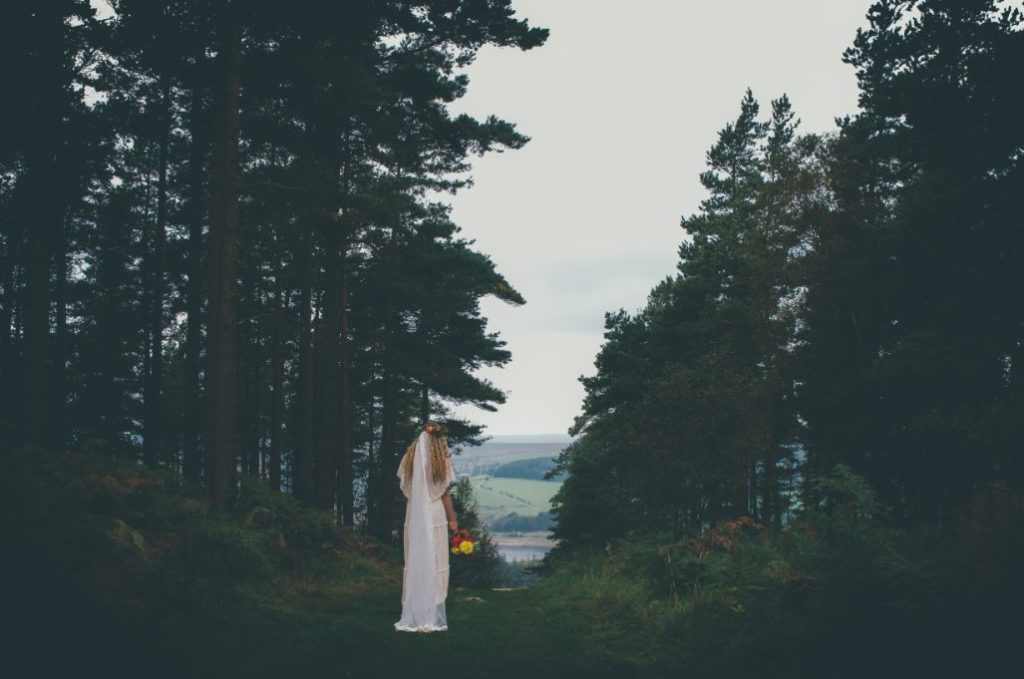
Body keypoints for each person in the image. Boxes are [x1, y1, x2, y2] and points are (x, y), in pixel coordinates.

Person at [394, 422, 459, 632]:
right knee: (435, 558)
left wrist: (411, 516)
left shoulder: (409, 460)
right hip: (434, 513)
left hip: (414, 514)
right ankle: (432, 606)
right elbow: (446, 494)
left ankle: (415, 607)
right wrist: (453, 519)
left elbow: (406, 494)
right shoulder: (442, 461)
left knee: (416, 558)